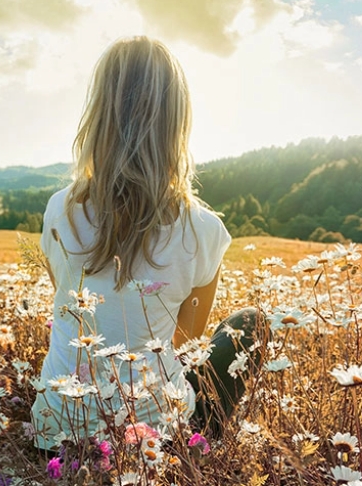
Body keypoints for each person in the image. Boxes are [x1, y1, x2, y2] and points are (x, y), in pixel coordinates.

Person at [30, 36, 261, 453]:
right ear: (178, 123)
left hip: (57, 432)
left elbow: (70, 305)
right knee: (252, 323)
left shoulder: (58, 209)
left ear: (97, 115)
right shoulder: (203, 229)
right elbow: (183, 343)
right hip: (157, 435)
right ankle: (199, 438)